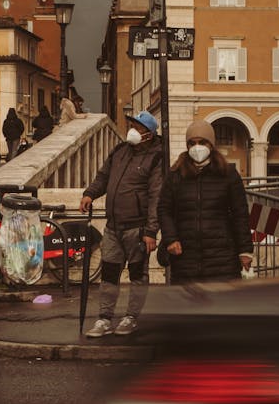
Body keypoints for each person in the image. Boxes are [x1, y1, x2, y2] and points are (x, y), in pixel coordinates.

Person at [79, 110, 163, 337]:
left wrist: (151, 231)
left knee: (137, 275)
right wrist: (90, 194)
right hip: (113, 227)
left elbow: (157, 196)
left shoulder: (156, 157)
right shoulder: (120, 151)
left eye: (139, 127)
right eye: (132, 125)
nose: (133, 130)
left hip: (137, 229)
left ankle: (131, 317)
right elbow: (103, 177)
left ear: (149, 134)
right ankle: (104, 319)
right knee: (109, 274)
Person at [158, 119, 253, 284]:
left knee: (221, 306)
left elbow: (240, 213)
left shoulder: (228, 174)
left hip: (222, 259)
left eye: (202, 142)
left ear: (211, 144)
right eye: (192, 143)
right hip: (185, 259)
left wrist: (245, 250)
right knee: (188, 307)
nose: (197, 147)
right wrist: (171, 238)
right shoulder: (175, 175)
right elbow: (164, 209)